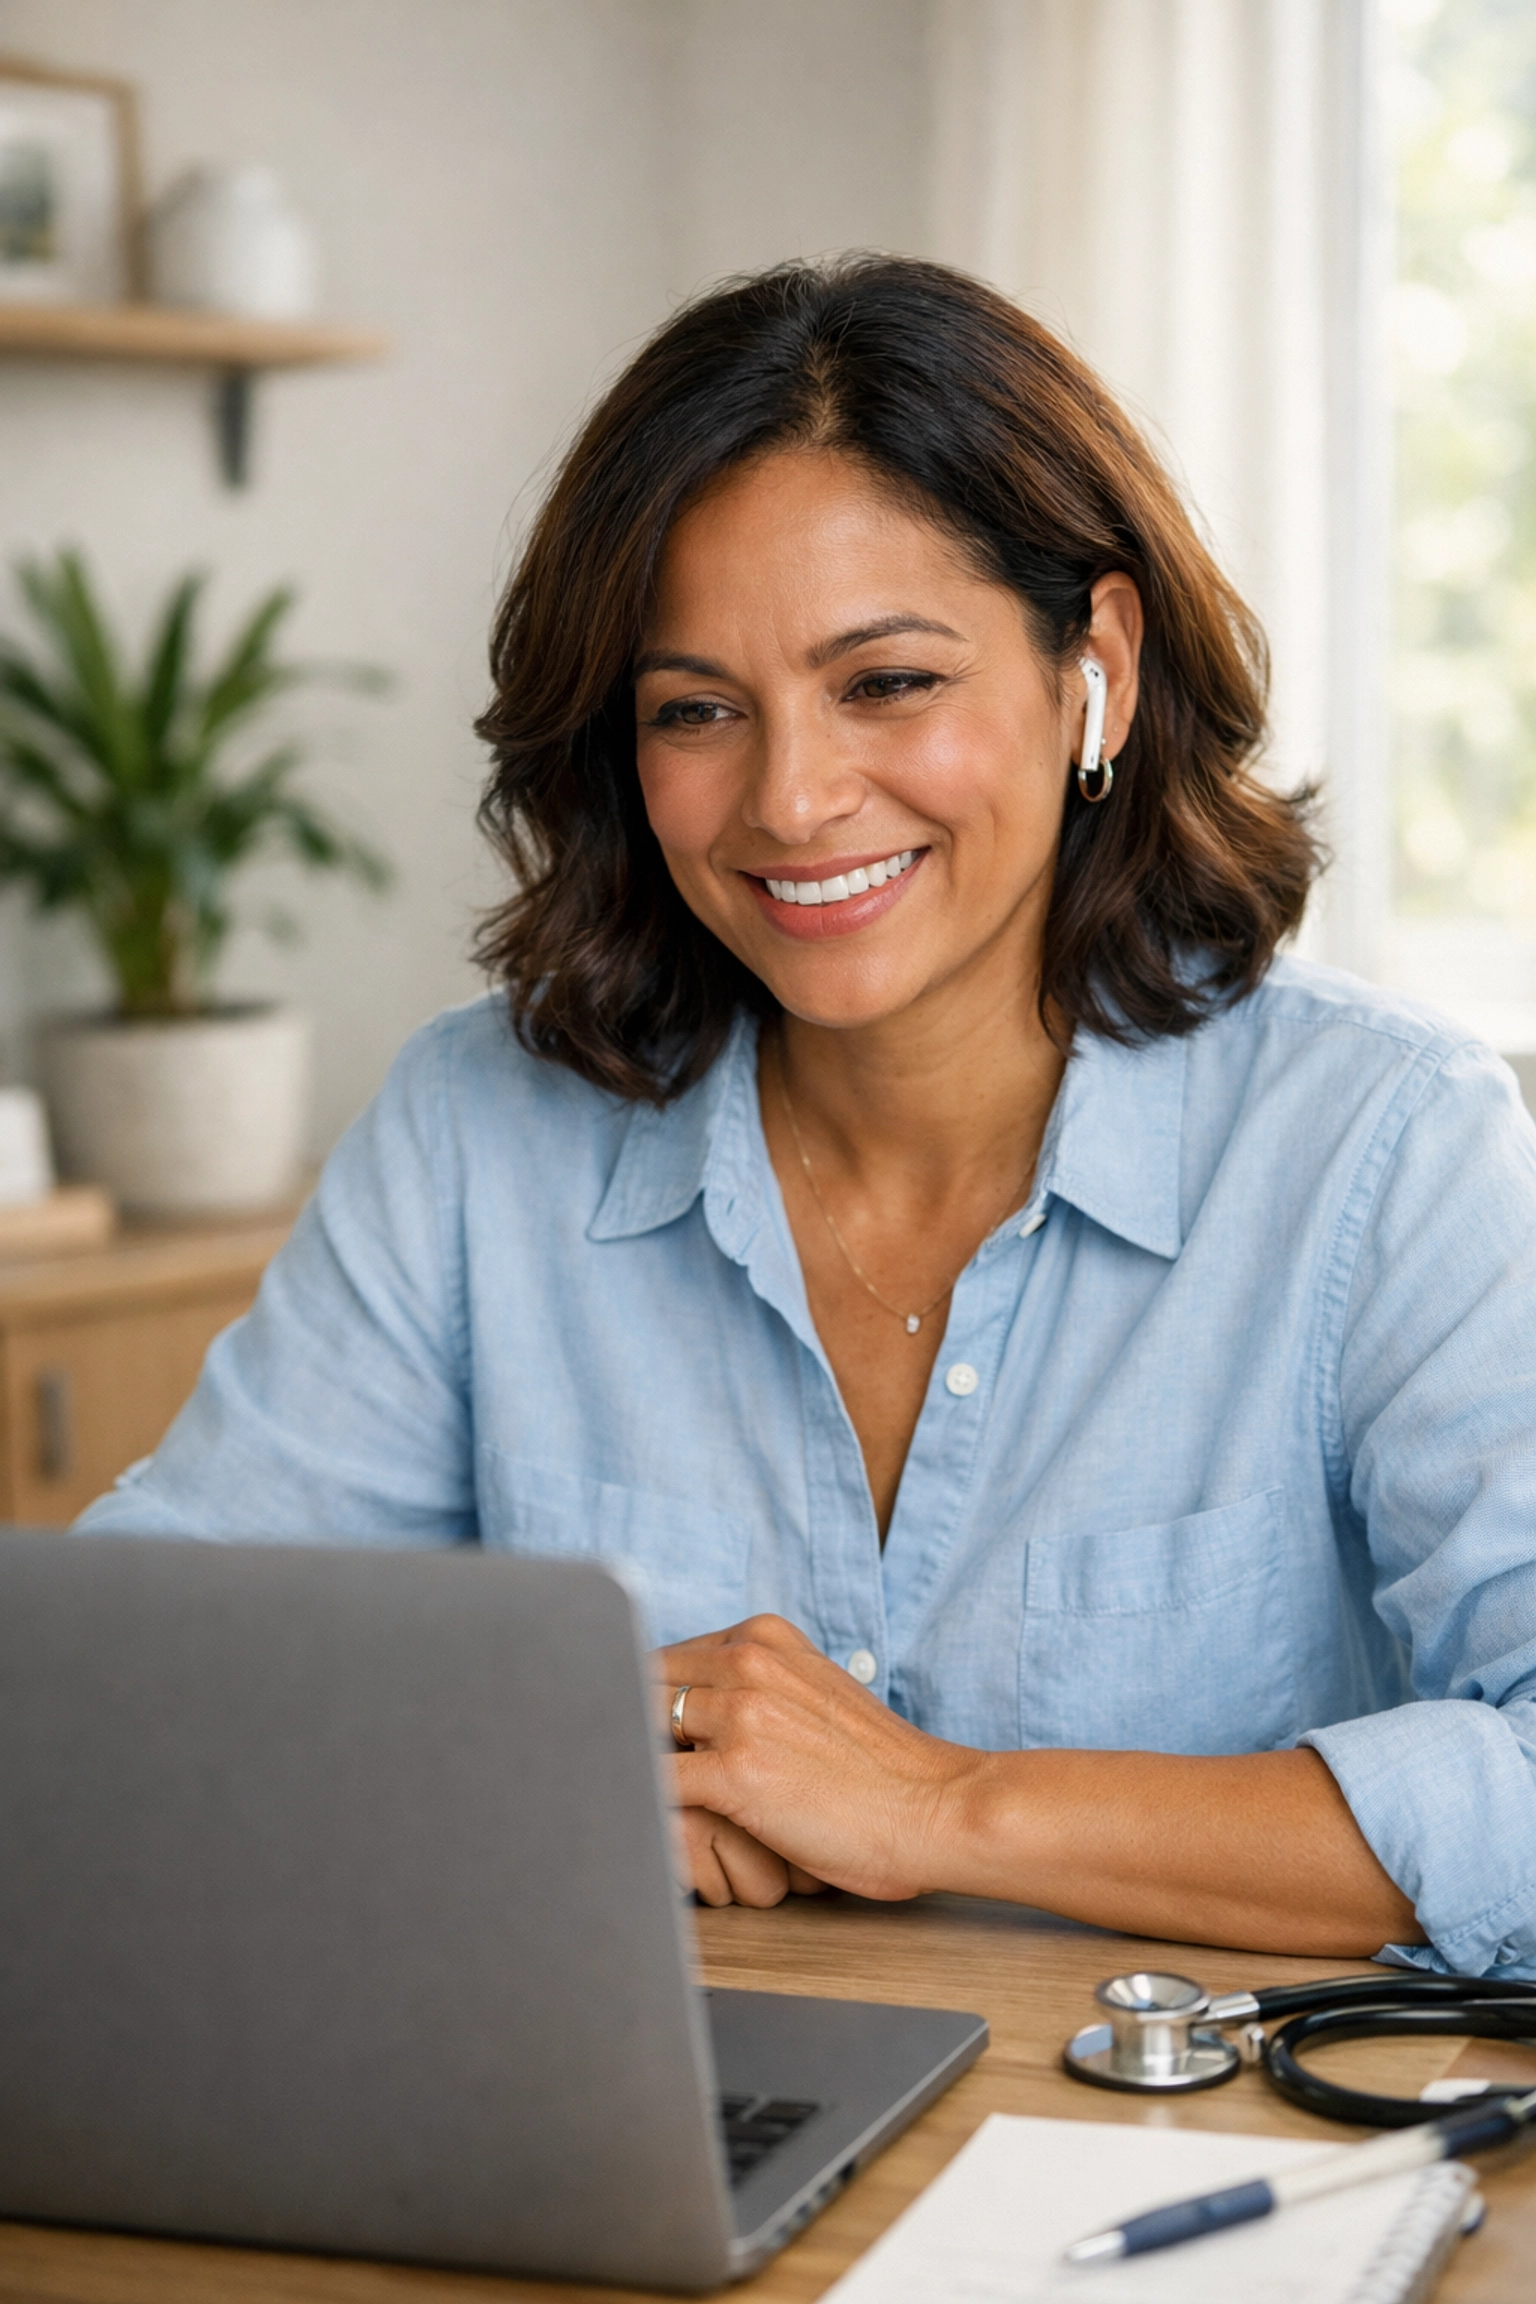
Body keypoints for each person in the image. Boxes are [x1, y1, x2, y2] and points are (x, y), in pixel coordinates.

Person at [80, 256, 1536, 1979]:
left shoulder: (1388, 1147)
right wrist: (546, 1766)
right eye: (697, 710)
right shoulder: (478, 1132)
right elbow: (128, 1695)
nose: (789, 798)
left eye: (889, 683)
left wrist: (941, 1807)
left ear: (1101, 671)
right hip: (635, 2166)